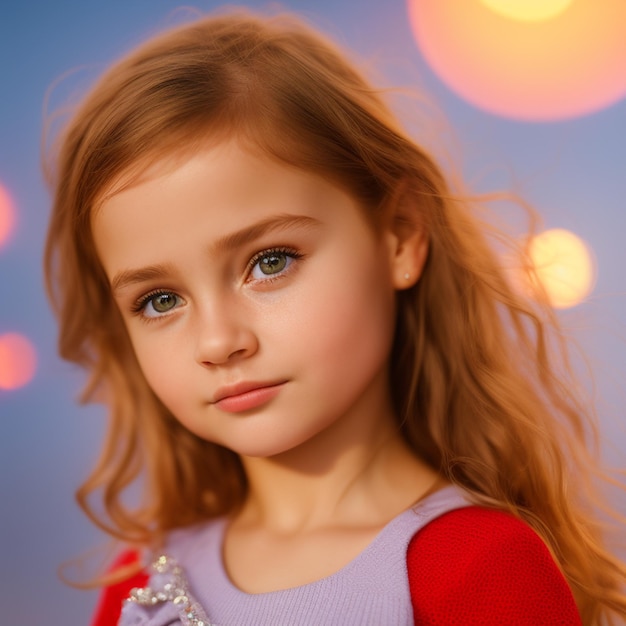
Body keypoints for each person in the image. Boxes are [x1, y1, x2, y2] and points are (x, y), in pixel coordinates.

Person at [43, 10, 625, 626]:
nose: (217, 341)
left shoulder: (477, 567)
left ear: (400, 234)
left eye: (269, 262)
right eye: (160, 300)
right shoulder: (144, 584)